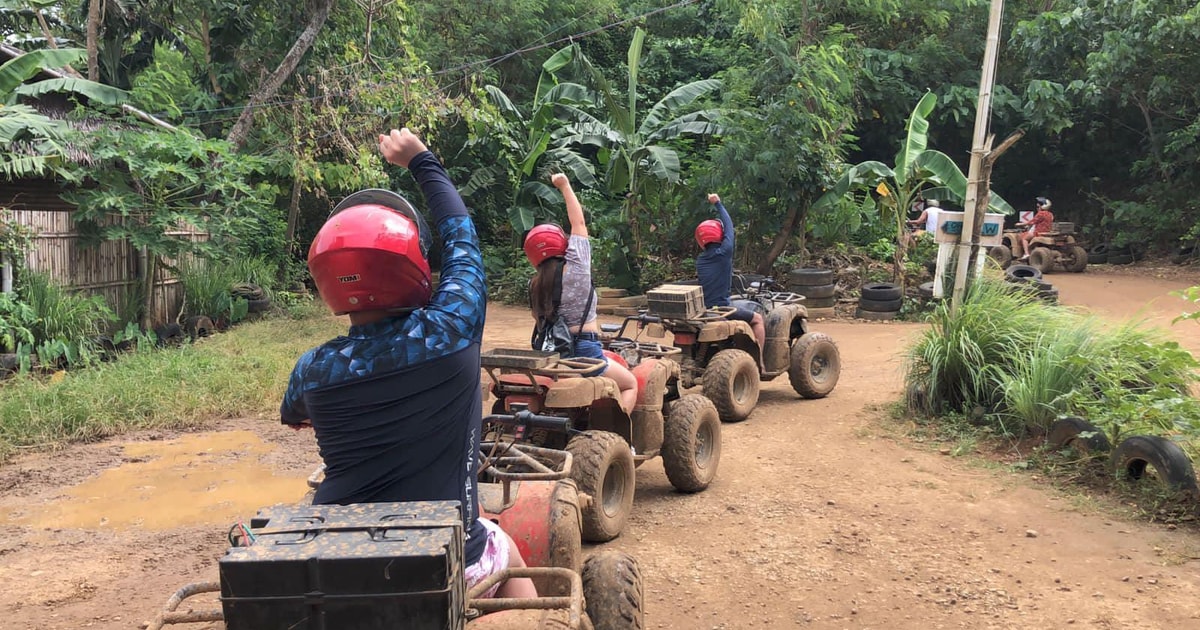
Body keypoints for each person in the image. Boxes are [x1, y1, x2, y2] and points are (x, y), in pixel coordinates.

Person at [280, 128, 536, 600]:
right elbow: (462, 241)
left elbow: (294, 415)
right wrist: (421, 160)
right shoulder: (451, 329)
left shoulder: (312, 370)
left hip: (339, 562)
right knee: (504, 547)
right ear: (413, 267)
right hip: (444, 557)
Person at [524, 173, 639, 414]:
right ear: (562, 244)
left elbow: (543, 322)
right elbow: (579, 224)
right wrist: (565, 185)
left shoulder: (534, 285)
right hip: (586, 352)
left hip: (552, 356)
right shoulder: (577, 267)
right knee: (630, 384)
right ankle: (620, 441)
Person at [695, 193, 765, 358]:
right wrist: (718, 203)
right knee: (757, 319)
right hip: (721, 308)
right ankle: (759, 361)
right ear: (718, 235)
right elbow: (729, 226)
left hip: (704, 309)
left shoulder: (701, 260)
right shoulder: (724, 252)